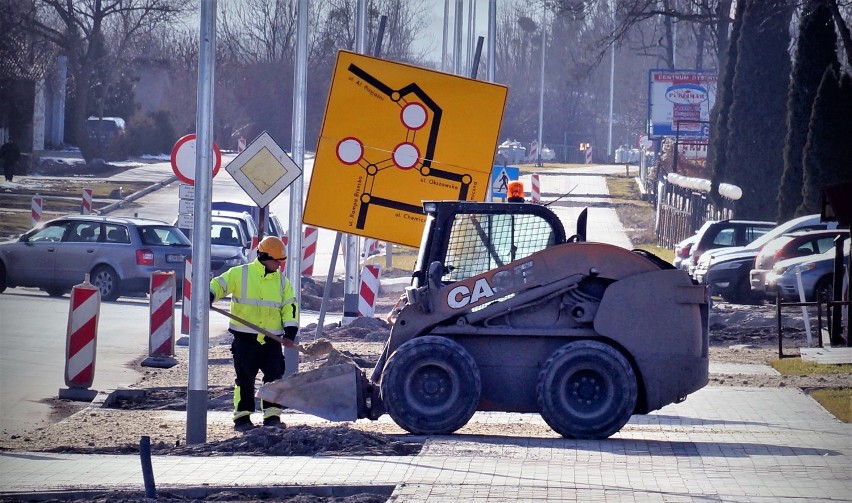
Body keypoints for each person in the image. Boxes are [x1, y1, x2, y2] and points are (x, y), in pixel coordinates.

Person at [209, 236, 299, 431]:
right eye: (277, 261)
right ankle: (242, 418)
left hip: (271, 340)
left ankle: (272, 416)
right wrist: (210, 294)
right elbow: (219, 284)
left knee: (274, 379)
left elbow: (290, 306)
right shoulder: (240, 273)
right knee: (244, 379)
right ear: (264, 257)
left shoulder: (282, 282)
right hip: (245, 339)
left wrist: (290, 332)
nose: (280, 265)